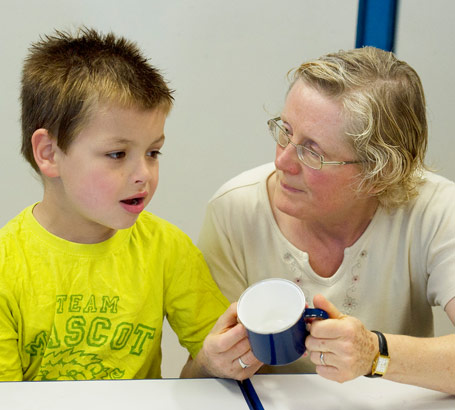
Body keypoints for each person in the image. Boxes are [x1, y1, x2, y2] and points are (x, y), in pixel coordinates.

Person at [0, 27, 261, 381]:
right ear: (49, 153)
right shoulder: (7, 266)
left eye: (153, 152)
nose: (144, 174)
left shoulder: (168, 249)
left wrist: (214, 364)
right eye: (117, 154)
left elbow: (214, 370)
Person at [198, 46, 455, 394]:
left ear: (379, 174)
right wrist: (210, 364)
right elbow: (197, 382)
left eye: (312, 152)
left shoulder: (436, 210)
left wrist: (375, 354)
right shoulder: (234, 211)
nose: (283, 162)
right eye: (285, 132)